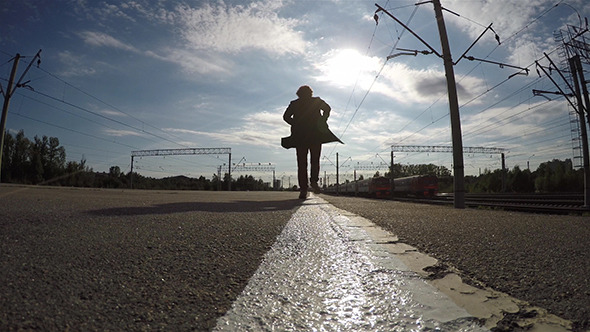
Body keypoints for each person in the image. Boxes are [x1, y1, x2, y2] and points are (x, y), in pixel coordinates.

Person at [282, 85, 342, 199]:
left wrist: (295, 123)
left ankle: (303, 189)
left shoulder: (294, 104)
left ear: (298, 94)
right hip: (315, 135)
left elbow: (285, 117)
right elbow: (328, 109)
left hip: (300, 137)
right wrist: (323, 119)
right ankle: (314, 181)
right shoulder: (317, 101)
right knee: (315, 160)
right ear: (311, 93)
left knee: (302, 163)